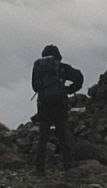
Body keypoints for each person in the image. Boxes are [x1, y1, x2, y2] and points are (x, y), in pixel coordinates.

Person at [31, 44, 83, 175]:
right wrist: (69, 90)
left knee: (43, 137)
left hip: (44, 106)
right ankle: (68, 166)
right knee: (63, 135)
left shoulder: (38, 68)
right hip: (59, 105)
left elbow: (35, 87)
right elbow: (79, 77)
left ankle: (39, 169)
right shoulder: (63, 68)